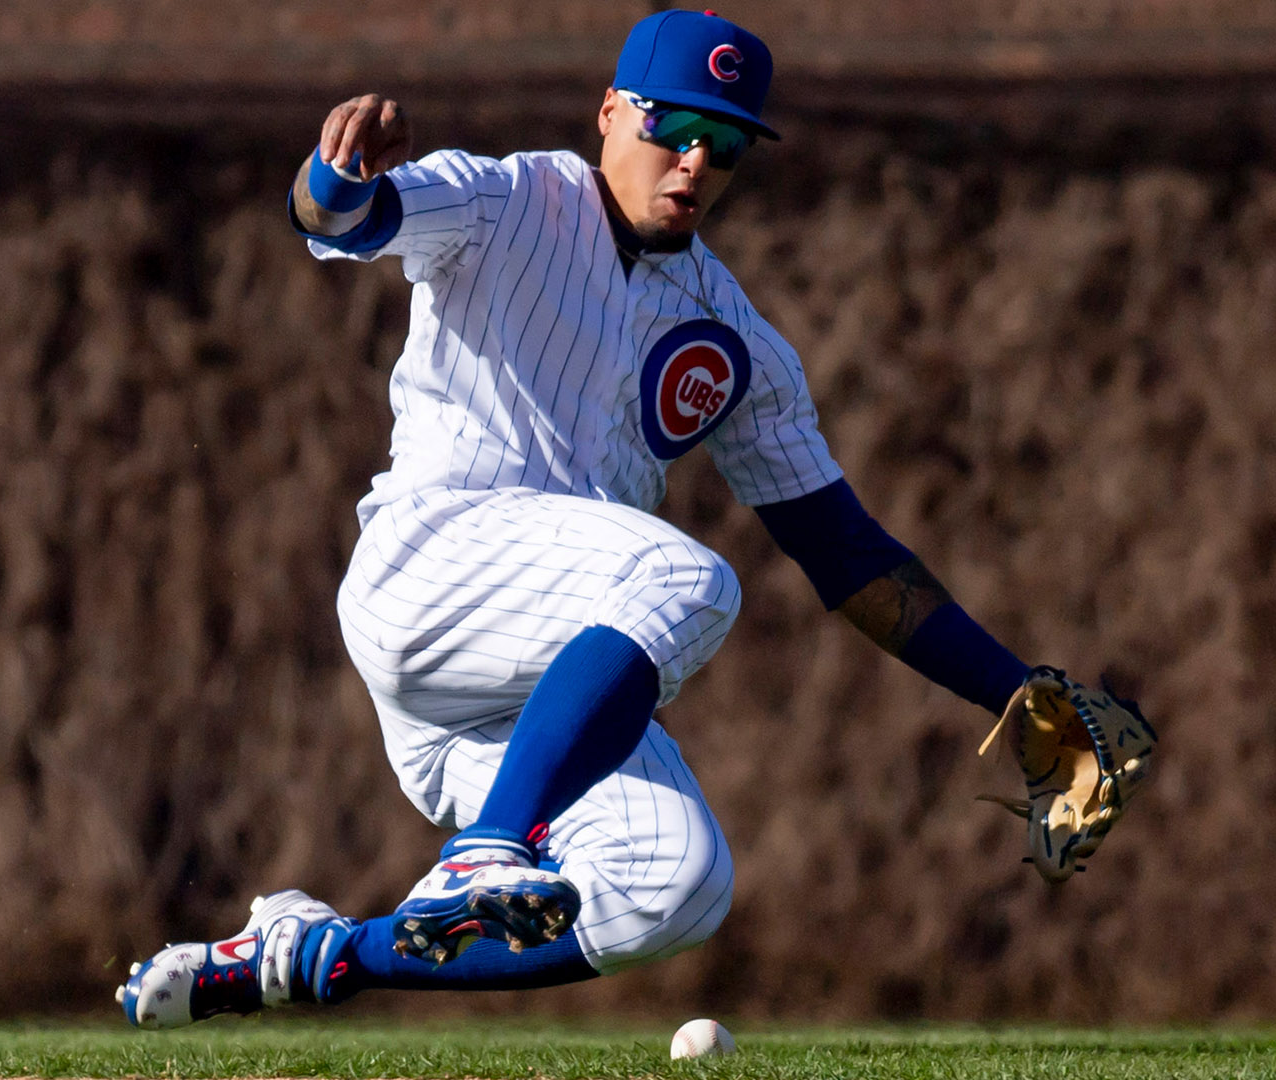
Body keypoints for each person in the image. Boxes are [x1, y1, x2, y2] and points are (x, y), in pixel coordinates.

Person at [117, 9, 1154, 1029]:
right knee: (687, 581)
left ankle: (310, 958)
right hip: (429, 572)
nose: (695, 161)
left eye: (728, 145)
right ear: (609, 112)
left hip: (523, 691)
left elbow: (847, 556)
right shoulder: (509, 199)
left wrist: (1013, 694)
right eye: (673, 126)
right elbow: (337, 219)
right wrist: (333, 174)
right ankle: (484, 852)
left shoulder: (731, 336)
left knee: (677, 887)